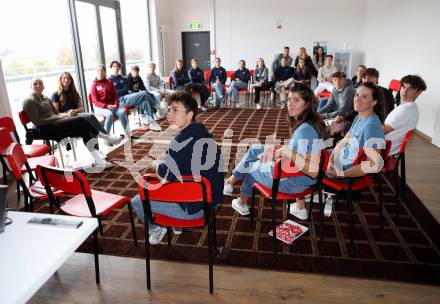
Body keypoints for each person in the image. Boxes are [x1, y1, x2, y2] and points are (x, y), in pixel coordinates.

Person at [130, 91, 224, 244]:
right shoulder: (203, 132)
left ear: (189, 114)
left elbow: (165, 176)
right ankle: (176, 223)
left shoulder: (180, 141)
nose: (170, 114)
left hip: (194, 208)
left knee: (137, 201)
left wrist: (157, 164)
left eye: (175, 110)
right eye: (169, 110)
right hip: (210, 200)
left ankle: (157, 229)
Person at [223, 84, 327, 218]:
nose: (290, 104)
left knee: (251, 165)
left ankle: (240, 199)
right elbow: (303, 152)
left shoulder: (304, 130)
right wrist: (282, 150)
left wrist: (286, 151)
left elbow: (313, 171)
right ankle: (300, 208)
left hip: (295, 182)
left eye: (296, 100)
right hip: (299, 176)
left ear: (307, 104)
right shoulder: (312, 123)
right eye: (289, 99)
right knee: (255, 150)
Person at [322, 82, 385, 218]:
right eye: (357, 95)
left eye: (364, 97)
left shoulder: (372, 126)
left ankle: (303, 200)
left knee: (304, 160)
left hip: (349, 172)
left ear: (374, 102)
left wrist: (341, 174)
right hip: (340, 161)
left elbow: (373, 165)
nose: (357, 99)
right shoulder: (358, 117)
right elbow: (343, 142)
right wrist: (331, 159)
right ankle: (318, 191)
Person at [23, 78, 114, 168]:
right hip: (45, 129)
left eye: (40, 84)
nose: (38, 85)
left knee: (84, 130)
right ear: (30, 86)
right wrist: (61, 116)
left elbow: (56, 113)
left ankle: (99, 161)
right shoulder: (29, 101)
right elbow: (37, 122)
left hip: (57, 124)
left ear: (43, 87)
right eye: (35, 84)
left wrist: (65, 115)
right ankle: (105, 137)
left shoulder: (46, 98)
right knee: (81, 120)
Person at [51, 72, 122, 146]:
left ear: (71, 80)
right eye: (64, 78)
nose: (66, 80)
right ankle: (107, 138)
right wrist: (66, 114)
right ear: (60, 80)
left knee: (90, 127)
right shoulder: (56, 95)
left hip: (76, 115)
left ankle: (99, 150)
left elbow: (82, 108)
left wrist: (75, 110)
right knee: (90, 117)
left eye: (68, 78)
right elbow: (55, 113)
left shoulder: (74, 93)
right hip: (65, 119)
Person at [109, 60, 161, 131]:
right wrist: (120, 91)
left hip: (128, 97)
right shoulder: (109, 80)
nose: (116, 68)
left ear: (120, 68)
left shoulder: (123, 78)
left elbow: (126, 89)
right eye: (114, 66)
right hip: (119, 100)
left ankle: (152, 123)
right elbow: (114, 93)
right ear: (111, 68)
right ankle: (156, 106)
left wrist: (119, 91)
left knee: (145, 102)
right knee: (143, 93)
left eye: (117, 66)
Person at [384, 75, 427, 156]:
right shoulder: (411, 107)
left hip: (382, 150)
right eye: (403, 87)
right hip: (390, 148)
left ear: (418, 92)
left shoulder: (404, 110)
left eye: (410, 89)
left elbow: (381, 131)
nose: (404, 91)